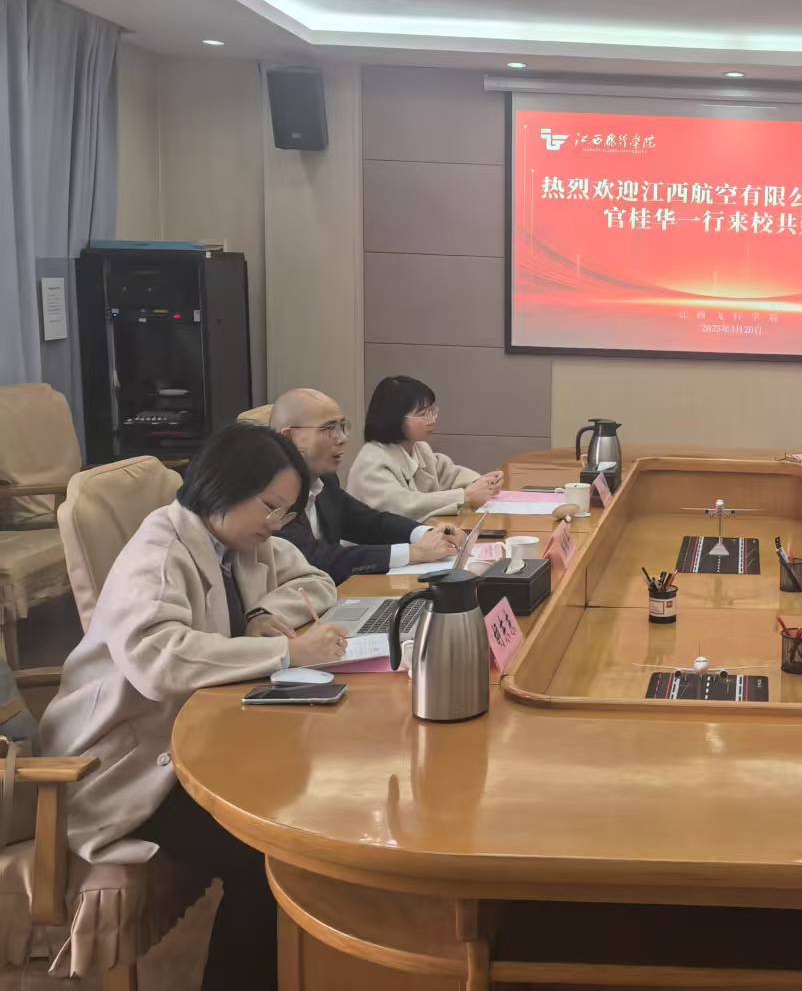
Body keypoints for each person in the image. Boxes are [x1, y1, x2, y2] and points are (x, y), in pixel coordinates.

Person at [37, 423, 345, 990]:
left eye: (285, 511)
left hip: (198, 740)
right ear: (222, 488)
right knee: (270, 855)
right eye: (270, 507)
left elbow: (317, 579)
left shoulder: (239, 540)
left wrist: (263, 614)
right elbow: (160, 661)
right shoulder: (157, 557)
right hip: (124, 767)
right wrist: (284, 651)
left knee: (306, 799)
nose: (277, 523)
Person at [269, 387, 465, 582]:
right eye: (329, 429)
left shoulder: (324, 479)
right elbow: (315, 558)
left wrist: (427, 534)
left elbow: (367, 522)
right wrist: (413, 552)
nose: (342, 438)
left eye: (342, 427)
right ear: (288, 437)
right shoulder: (269, 493)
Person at [347, 376, 504, 519]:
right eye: (423, 414)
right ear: (394, 418)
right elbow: (404, 506)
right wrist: (465, 496)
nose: (432, 420)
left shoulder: (419, 448)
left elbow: (448, 474)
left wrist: (482, 482)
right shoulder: (371, 461)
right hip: (377, 541)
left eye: (432, 412)